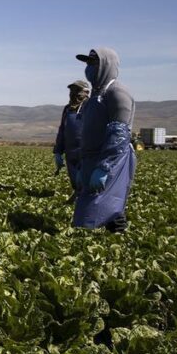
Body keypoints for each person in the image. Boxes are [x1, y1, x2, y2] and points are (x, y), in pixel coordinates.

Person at [73, 48, 135, 233]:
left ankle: (116, 242)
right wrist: (81, 165)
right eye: (88, 64)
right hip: (91, 159)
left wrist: (105, 167)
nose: (89, 68)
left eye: (93, 63)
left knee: (96, 211)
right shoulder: (95, 96)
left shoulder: (117, 93)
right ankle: (116, 240)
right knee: (104, 207)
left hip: (110, 160)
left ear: (106, 65)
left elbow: (119, 134)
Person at [54, 79, 90, 200]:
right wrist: (58, 151)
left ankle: (85, 202)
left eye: (78, 91)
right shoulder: (67, 109)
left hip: (86, 152)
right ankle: (77, 195)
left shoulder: (91, 107)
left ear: (86, 92)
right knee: (74, 180)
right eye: (72, 91)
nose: (74, 94)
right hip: (70, 152)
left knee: (85, 182)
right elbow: (62, 130)